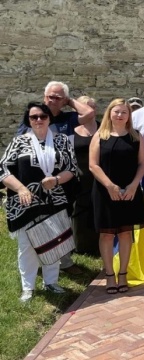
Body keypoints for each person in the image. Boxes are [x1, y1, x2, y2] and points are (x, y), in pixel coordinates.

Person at [0, 102, 78, 302]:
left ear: (49, 118)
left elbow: (72, 168)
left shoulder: (61, 141)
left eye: (43, 116)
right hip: (26, 202)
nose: (39, 120)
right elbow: (3, 170)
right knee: (27, 245)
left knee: (53, 242)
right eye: (34, 117)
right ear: (29, 120)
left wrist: (57, 180)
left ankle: (51, 282)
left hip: (55, 201)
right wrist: (20, 188)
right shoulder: (19, 142)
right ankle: (28, 287)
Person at [89, 99, 144, 294]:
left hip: (129, 192)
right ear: (109, 113)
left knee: (124, 234)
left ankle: (122, 274)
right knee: (106, 234)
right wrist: (110, 186)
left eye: (124, 112)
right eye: (116, 111)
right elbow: (93, 165)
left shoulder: (136, 136)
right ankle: (109, 275)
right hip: (105, 192)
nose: (120, 115)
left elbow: (142, 164)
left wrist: (133, 185)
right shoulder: (100, 135)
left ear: (129, 115)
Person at [72, 96, 100, 256]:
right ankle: (81, 245)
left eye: (92, 107)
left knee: (98, 209)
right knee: (80, 210)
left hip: (100, 175)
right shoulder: (72, 130)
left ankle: (99, 246)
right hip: (80, 176)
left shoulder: (103, 129)